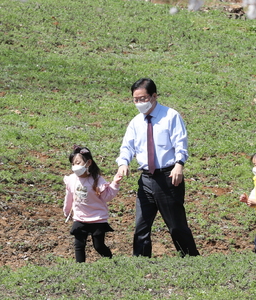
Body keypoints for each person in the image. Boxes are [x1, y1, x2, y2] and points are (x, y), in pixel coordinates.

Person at [116, 78, 200, 257]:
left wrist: (179, 165)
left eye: (143, 98)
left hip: (168, 177)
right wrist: (123, 162)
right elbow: (127, 146)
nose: (139, 103)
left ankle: (191, 259)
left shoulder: (171, 116)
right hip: (146, 179)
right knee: (141, 225)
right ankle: (140, 263)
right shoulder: (136, 122)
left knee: (176, 225)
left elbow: (180, 143)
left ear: (154, 96)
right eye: (135, 99)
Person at [63, 145, 122, 262]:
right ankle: (80, 268)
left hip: (97, 218)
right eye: (73, 164)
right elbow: (69, 196)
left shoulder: (97, 180)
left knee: (98, 246)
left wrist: (115, 183)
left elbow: (107, 196)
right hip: (80, 218)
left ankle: (111, 262)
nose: (75, 167)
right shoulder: (71, 179)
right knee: (79, 245)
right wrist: (67, 210)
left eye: (78, 163)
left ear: (88, 163)